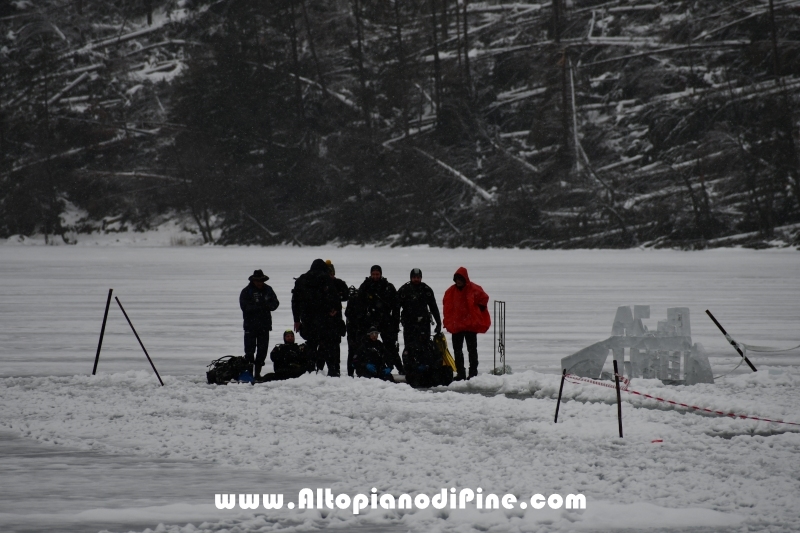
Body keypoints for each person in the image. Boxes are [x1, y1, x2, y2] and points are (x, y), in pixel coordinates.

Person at [291, 259, 342, 376]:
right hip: (325, 317)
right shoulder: (326, 278)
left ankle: (310, 369)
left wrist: (296, 320)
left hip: (307, 317)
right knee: (327, 344)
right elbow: (334, 297)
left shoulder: (301, 280)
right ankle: (332, 370)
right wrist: (334, 309)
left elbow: (295, 301)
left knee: (311, 343)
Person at [442, 266, 490, 381]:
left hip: (469, 325)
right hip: (457, 326)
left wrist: (480, 308)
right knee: (458, 351)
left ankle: (473, 373)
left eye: (460, 279)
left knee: (472, 350)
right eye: (457, 279)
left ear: (465, 279)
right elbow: (446, 307)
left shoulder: (473, 289)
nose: (458, 281)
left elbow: (484, 298)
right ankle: (461, 373)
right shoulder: (450, 291)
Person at [358, 265, 403, 373]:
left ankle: (400, 369)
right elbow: (359, 304)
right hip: (370, 321)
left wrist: (395, 322)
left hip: (385, 320)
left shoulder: (388, 287)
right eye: (373, 274)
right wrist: (362, 321)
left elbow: (396, 306)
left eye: (377, 274)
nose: (375, 276)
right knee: (366, 346)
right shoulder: (365, 286)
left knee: (390, 346)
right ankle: (363, 368)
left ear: (381, 274)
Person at [239, 269, 279, 379]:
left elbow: (275, 303)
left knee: (262, 351)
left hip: (264, 326)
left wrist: (267, 306)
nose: (259, 283)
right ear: (253, 280)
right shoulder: (246, 291)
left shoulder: (268, 289)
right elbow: (244, 307)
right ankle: (249, 373)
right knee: (249, 351)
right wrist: (259, 307)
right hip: (250, 326)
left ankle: (257, 374)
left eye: (261, 281)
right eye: (257, 281)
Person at [398, 268, 442, 349]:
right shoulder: (404, 290)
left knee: (425, 348)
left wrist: (438, 323)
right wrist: (395, 324)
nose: (416, 279)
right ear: (411, 278)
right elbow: (396, 308)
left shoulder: (426, 290)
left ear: (421, 278)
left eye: (418, 277)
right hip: (409, 324)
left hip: (423, 324)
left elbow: (433, 307)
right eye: (414, 277)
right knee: (409, 348)